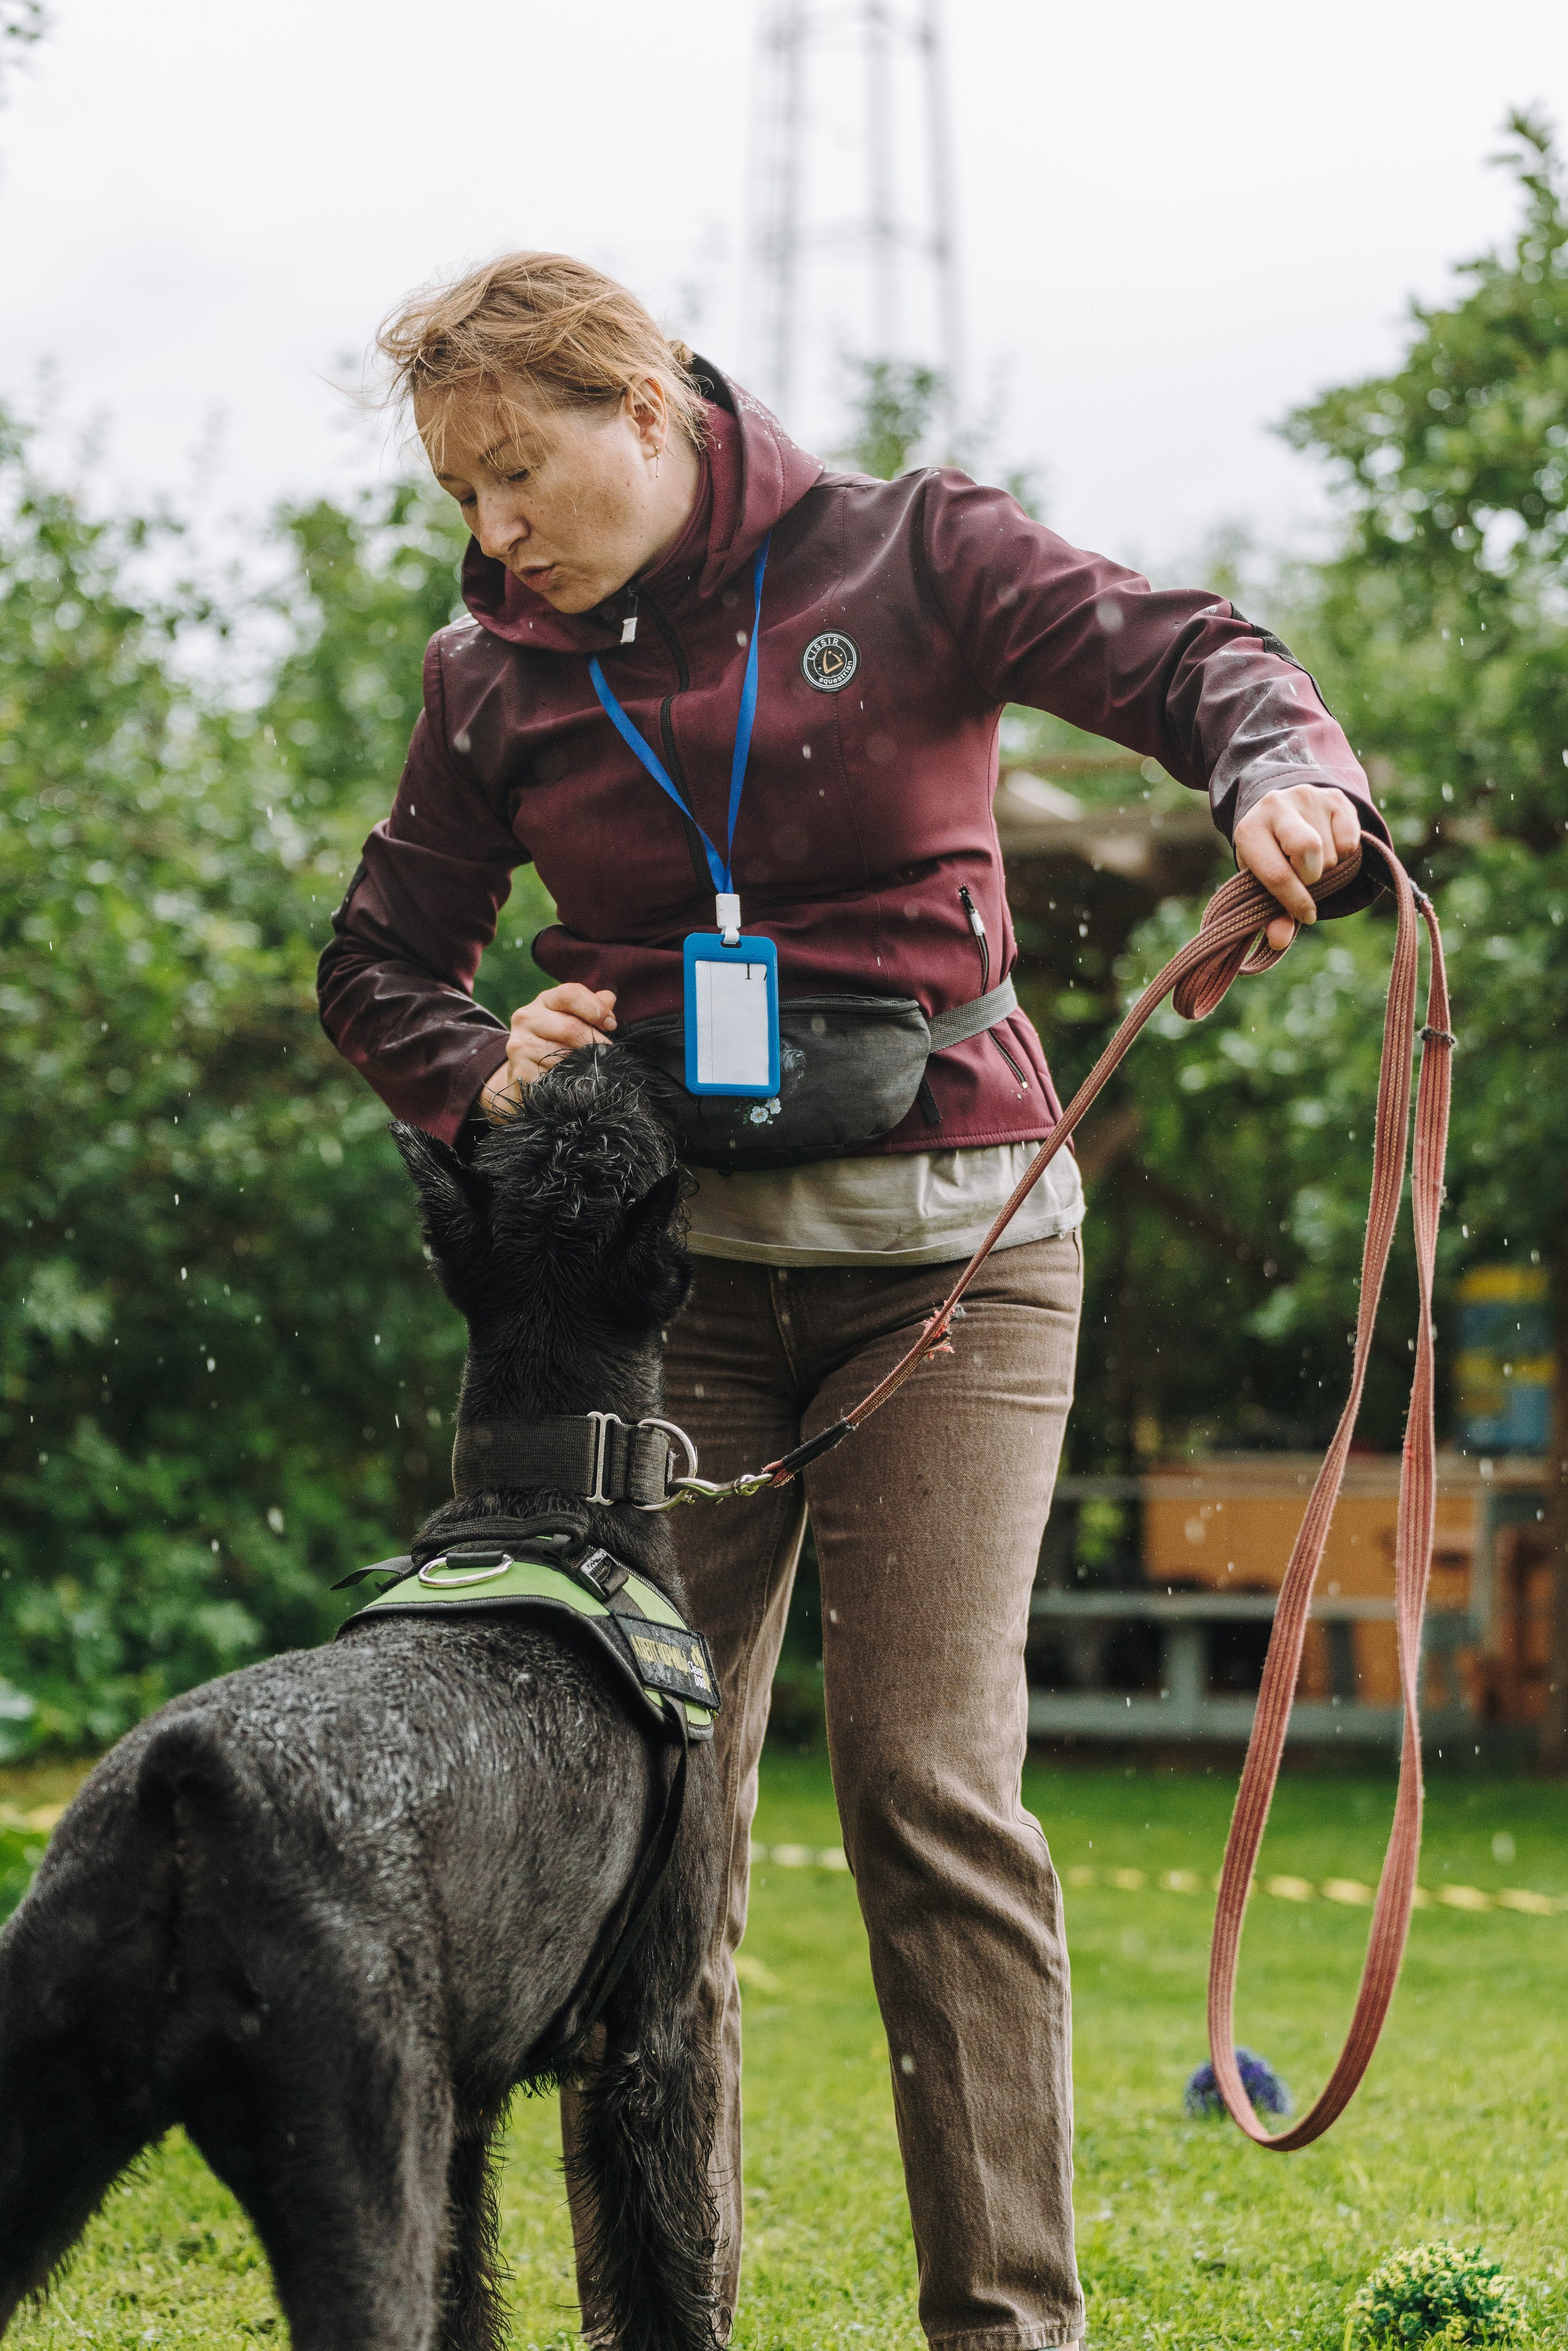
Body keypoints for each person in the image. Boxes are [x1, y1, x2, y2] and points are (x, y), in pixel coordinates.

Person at [318, 252, 1385, 2351]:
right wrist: (479, 1068)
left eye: (518, 472)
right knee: (650, 1816)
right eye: (462, 492)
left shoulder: (916, 551)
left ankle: (1009, 2330)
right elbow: (378, 970)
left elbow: (1195, 658)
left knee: (927, 1789)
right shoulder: (493, 678)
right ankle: (670, 2327)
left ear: (644, 399)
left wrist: (1289, 777)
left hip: (958, 1272)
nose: (491, 530)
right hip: (671, 1307)